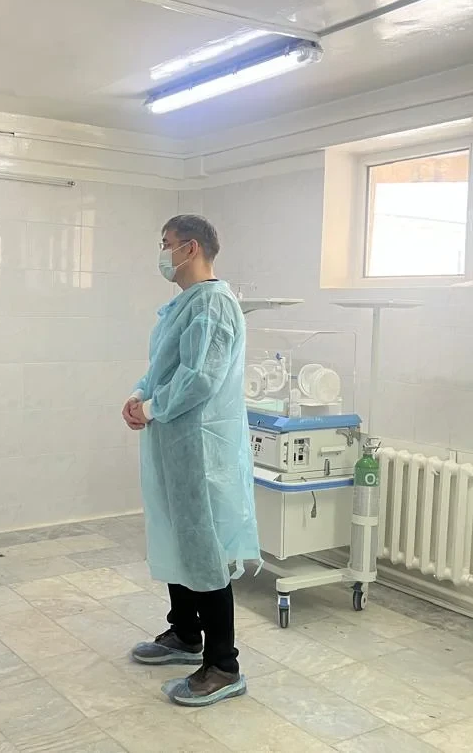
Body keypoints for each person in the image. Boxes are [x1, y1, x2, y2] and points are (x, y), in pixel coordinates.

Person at [122, 214, 260, 707]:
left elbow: (200, 377)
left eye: (167, 244)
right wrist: (139, 395)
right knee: (177, 535)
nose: (163, 253)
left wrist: (152, 407)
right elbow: (164, 367)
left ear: (192, 248)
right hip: (173, 439)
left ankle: (224, 665)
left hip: (199, 445)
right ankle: (185, 633)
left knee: (202, 548)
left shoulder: (214, 304)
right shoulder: (184, 304)